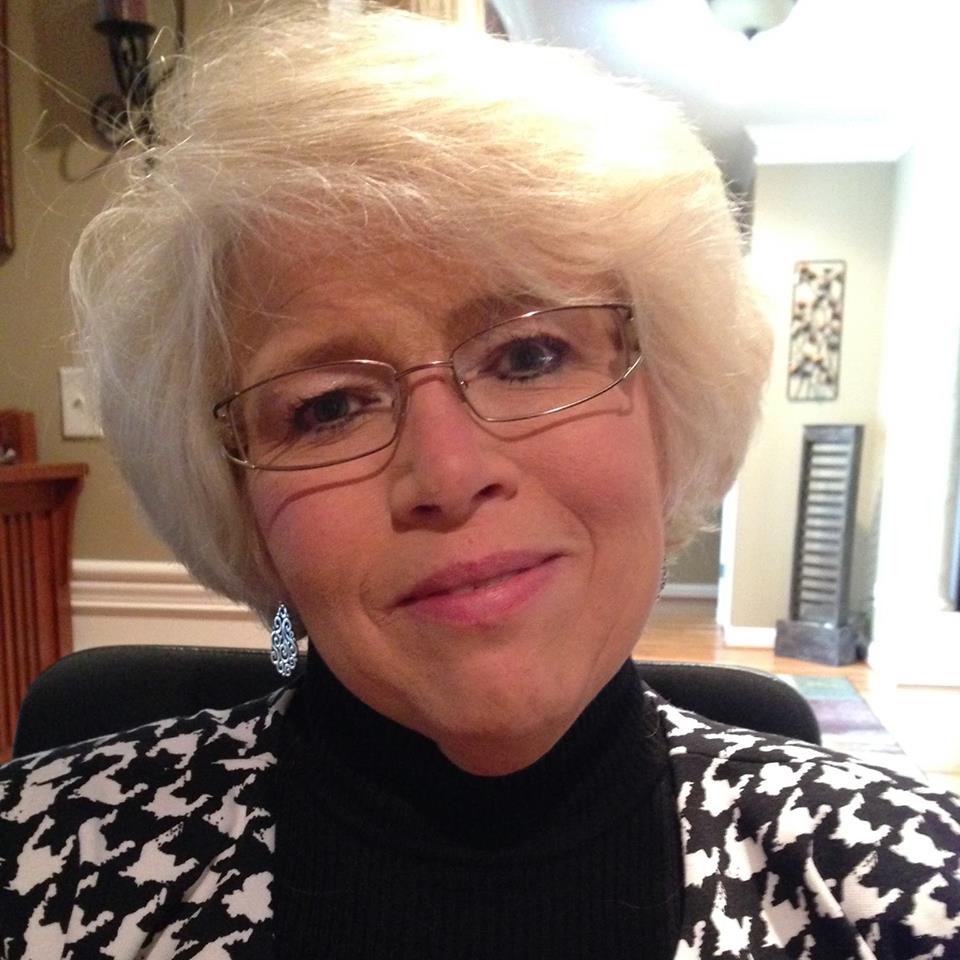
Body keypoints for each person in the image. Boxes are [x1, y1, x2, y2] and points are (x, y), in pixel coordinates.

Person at [1, 5, 958, 958]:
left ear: (669, 406)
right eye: (329, 406)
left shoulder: (914, 890)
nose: (450, 475)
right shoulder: (35, 875)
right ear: (239, 505)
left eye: (533, 354)